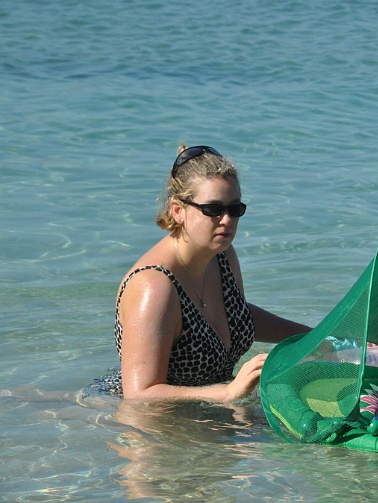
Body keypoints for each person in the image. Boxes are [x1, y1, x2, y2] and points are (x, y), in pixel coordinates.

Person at [97, 144, 310, 400]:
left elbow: (238, 315)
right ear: (178, 211)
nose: (227, 220)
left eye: (235, 209)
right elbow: (139, 394)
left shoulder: (222, 256)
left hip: (204, 410)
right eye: (213, 209)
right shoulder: (153, 286)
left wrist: (313, 339)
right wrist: (228, 391)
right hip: (142, 417)